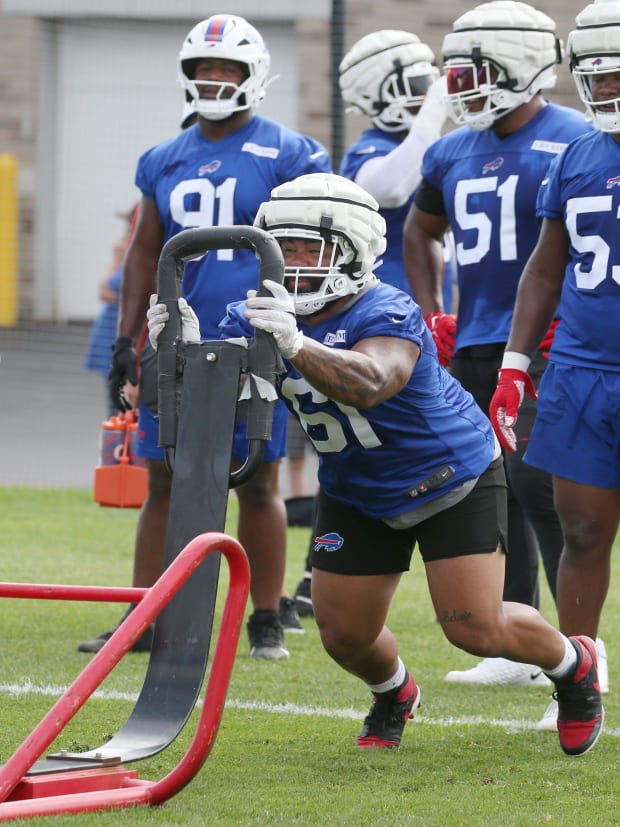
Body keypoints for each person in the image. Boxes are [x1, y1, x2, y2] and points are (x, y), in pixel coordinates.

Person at [147, 172, 603, 757]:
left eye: (310, 247)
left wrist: (297, 346)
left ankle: (574, 666)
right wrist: (184, 358)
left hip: (448, 476)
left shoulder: (385, 306)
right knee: (344, 635)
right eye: (283, 247)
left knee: (474, 627)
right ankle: (395, 691)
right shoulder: (255, 315)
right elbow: (212, 410)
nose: (293, 262)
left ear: (354, 251)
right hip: (355, 485)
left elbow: (372, 382)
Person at [79, 13, 330, 660]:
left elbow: (315, 248)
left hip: (255, 336)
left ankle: (265, 618)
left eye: (228, 68)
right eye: (204, 68)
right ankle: (145, 614)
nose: (214, 79)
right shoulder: (163, 158)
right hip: (178, 336)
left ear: (255, 75)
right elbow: (143, 251)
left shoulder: (291, 152)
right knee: (163, 475)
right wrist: (126, 338)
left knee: (257, 477)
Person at [402, 0, 603, 697]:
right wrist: (433, 311)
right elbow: (418, 230)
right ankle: (515, 635)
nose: (461, 86)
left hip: (553, 343)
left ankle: (568, 650)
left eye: (475, 72)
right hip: (481, 339)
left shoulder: (574, 138)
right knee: (493, 489)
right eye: (455, 73)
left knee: (544, 492)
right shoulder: (452, 149)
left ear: (521, 67)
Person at [290, 29, 455, 621]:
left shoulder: (436, 141)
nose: (431, 89)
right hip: (368, 323)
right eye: (417, 82)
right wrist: (433, 113)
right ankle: (322, 571)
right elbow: (389, 184)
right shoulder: (373, 147)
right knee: (351, 437)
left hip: (421, 322)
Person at [488, 0, 620, 733]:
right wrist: (515, 363)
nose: (609, 90)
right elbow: (544, 270)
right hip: (581, 369)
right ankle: (581, 674)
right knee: (582, 530)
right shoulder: (576, 154)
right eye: (597, 76)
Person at [83, 206, 137, 417]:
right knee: (117, 401)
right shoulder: (124, 249)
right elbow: (105, 290)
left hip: (132, 333)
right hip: (112, 329)